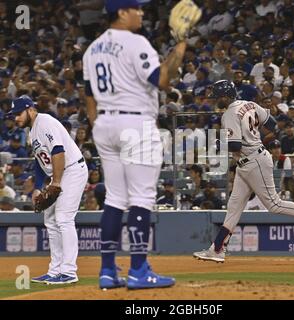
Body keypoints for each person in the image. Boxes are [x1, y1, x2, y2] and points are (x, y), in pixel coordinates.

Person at [83, 0, 188, 290]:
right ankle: (139, 269)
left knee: (115, 199)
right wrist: (179, 49)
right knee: (141, 197)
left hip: (105, 124)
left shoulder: (92, 49)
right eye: (136, 8)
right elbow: (163, 81)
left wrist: (98, 126)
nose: (141, 13)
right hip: (135, 123)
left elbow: (89, 95)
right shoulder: (135, 42)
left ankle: (107, 270)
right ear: (121, 12)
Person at [193, 80, 294, 263]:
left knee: (274, 204)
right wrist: (254, 137)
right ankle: (217, 249)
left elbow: (235, 144)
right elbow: (272, 122)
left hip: (254, 161)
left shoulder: (229, 113)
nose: (215, 100)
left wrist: (220, 143)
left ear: (226, 95)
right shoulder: (249, 104)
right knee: (234, 207)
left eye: (218, 97)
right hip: (248, 162)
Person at [9, 96, 88, 284]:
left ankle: (69, 272)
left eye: (18, 114)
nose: (16, 119)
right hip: (60, 174)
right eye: (14, 116)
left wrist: (56, 183)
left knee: (63, 219)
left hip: (72, 170)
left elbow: (58, 151)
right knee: (50, 221)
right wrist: (37, 188)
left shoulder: (45, 122)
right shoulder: (32, 132)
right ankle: (55, 271)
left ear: (30, 109)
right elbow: (39, 162)